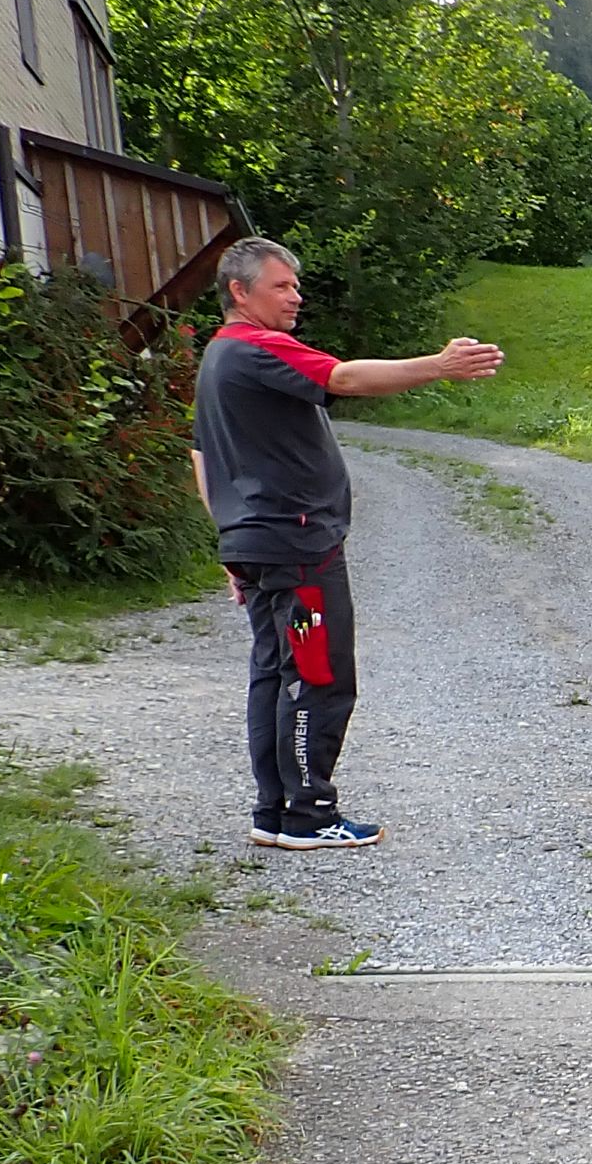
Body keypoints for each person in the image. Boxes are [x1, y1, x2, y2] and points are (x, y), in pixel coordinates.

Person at [189, 237, 504, 851]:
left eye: (296, 285)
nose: (296, 296)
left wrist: (231, 541)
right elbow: (343, 376)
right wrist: (437, 365)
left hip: (258, 545)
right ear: (239, 292)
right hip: (298, 547)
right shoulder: (255, 346)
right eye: (281, 286)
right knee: (315, 672)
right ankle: (309, 815)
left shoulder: (216, 360)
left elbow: (202, 457)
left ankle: (274, 812)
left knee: (276, 674)